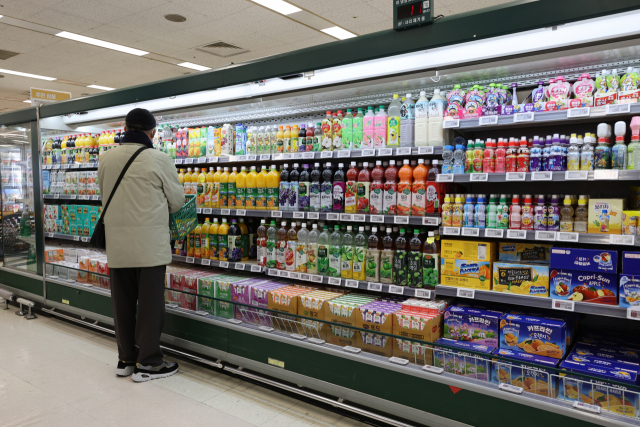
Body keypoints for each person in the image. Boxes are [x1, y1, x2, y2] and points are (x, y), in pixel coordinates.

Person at [98, 108, 184, 382]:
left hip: (118, 244)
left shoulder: (106, 159)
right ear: (152, 132)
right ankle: (148, 363)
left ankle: (126, 360)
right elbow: (177, 201)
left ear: (126, 129)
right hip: (149, 246)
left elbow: (103, 197)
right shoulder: (159, 159)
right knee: (149, 306)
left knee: (122, 303)